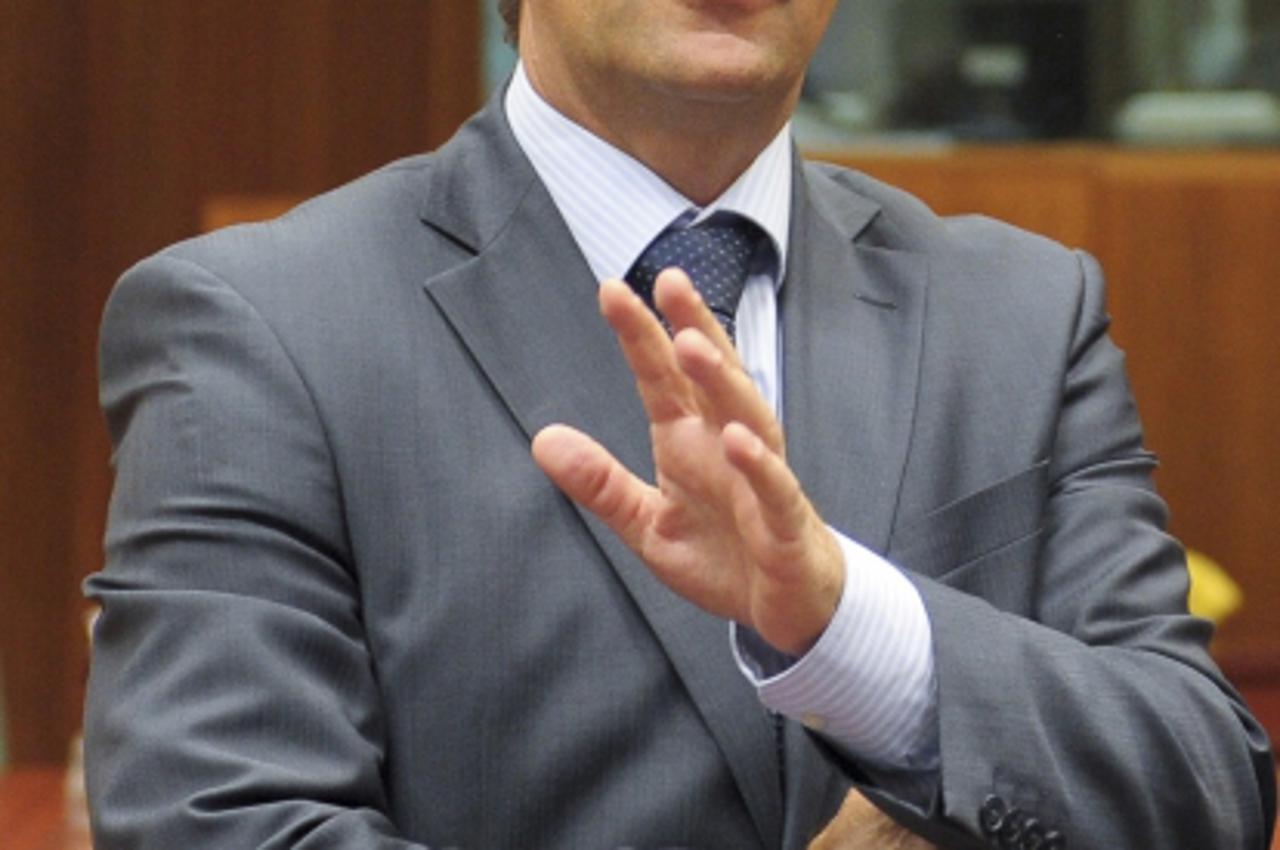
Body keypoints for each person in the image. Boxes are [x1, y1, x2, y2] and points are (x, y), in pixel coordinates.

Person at [84, 1, 1275, 848]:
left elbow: (1204, 788)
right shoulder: (260, 326)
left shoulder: (1022, 313)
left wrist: (853, 630)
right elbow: (221, 821)